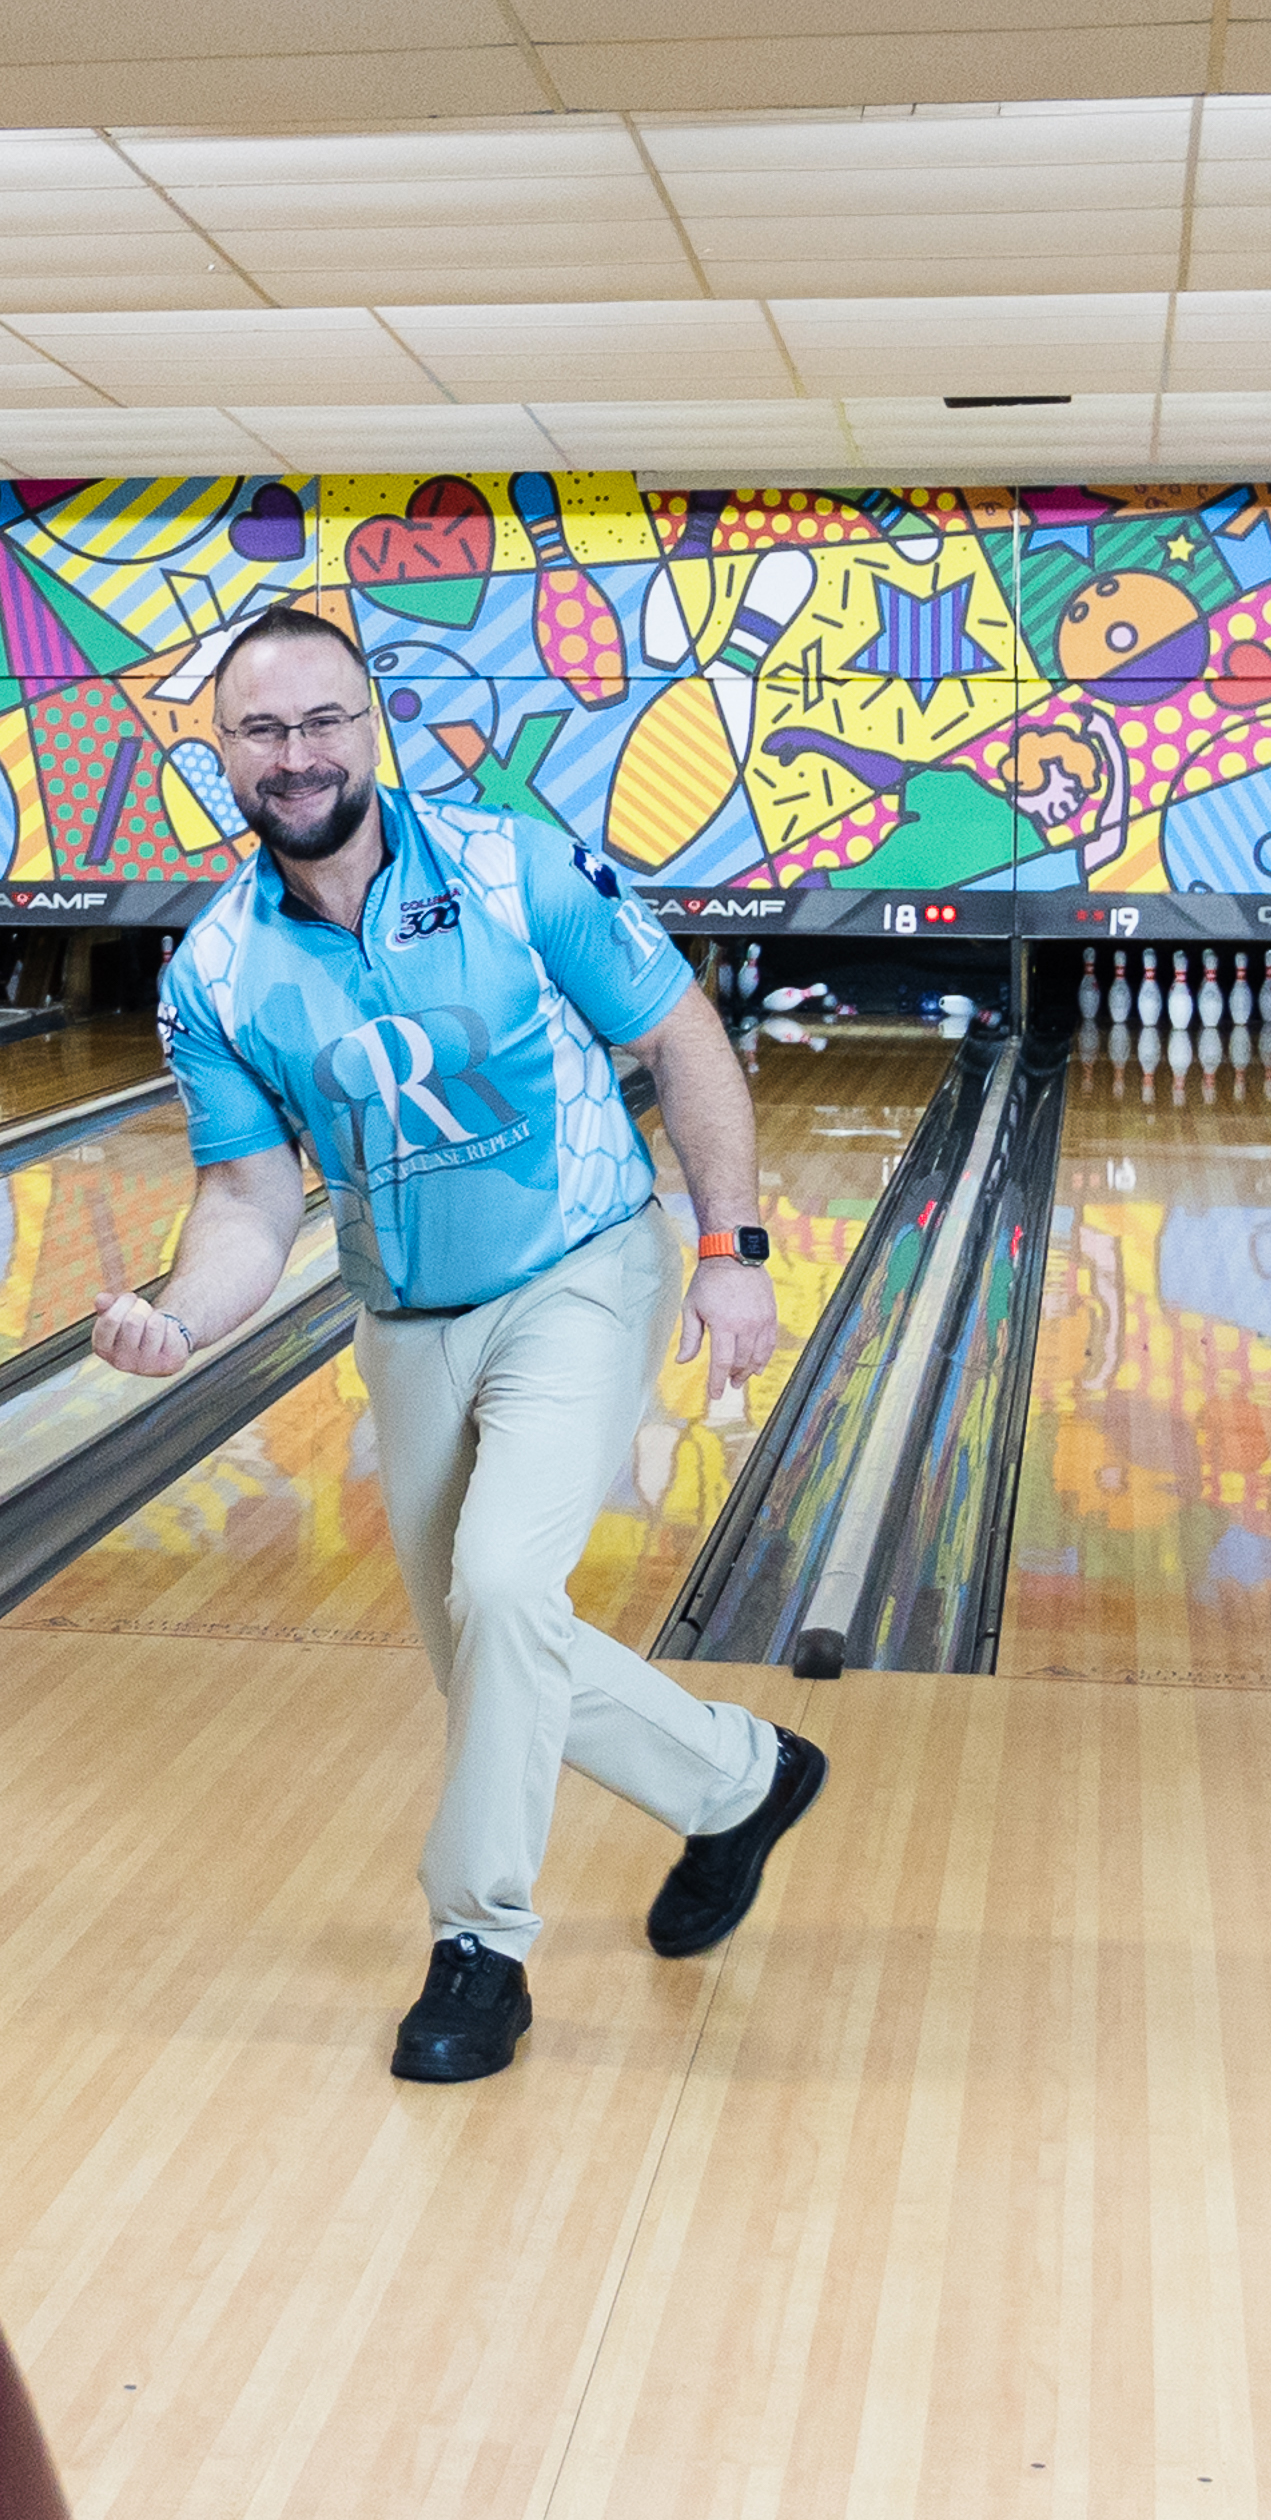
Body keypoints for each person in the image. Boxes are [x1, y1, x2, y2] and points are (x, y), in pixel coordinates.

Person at [94, 605, 827, 2083]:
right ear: (219, 751)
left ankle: (480, 1945)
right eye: (260, 730)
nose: (294, 755)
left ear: (372, 725)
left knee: (504, 1583)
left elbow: (683, 1033)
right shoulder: (218, 970)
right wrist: (177, 1314)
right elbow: (247, 1198)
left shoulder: (512, 863)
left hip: (580, 1269)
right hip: (406, 1319)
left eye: (321, 722)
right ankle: (740, 1780)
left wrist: (730, 1248)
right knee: (488, 1654)